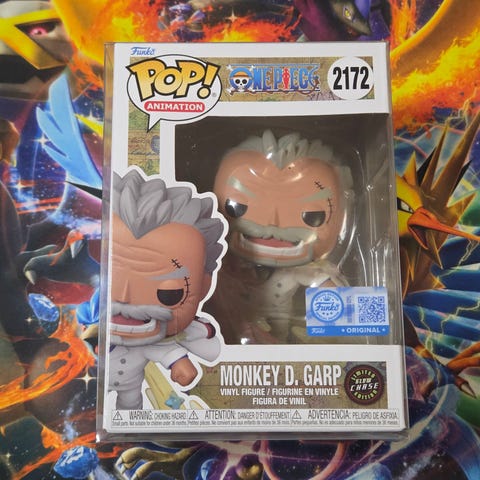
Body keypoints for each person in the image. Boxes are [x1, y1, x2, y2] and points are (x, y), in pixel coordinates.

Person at [212, 130, 350, 343]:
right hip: (225, 333)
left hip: (278, 336)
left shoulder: (299, 270)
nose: (272, 224)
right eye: (237, 207)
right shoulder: (222, 264)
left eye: (312, 216)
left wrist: (335, 328)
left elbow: (337, 304)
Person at [108, 169, 225, 409]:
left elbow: (164, 351)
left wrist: (180, 363)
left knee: (130, 407)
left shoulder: (155, 339)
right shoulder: (75, 327)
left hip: (130, 387)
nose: (123, 299)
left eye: (168, 294)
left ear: (203, 287)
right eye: (107, 281)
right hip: (81, 384)